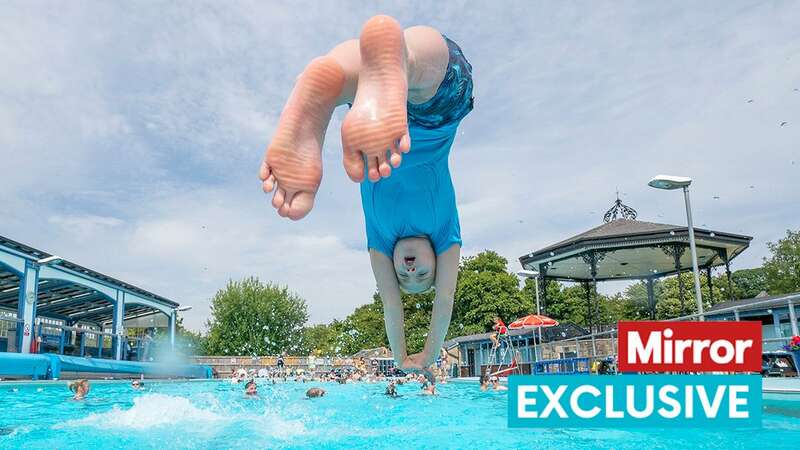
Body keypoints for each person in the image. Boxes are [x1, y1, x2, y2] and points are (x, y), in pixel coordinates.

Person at [259, 15, 472, 381]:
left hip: (379, 110)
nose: (409, 269)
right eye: (423, 272)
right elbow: (444, 301)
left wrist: (400, 355)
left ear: (391, 265)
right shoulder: (445, 234)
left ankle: (328, 85)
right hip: (433, 114)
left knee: (350, 71)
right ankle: (398, 58)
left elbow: (391, 303)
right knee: (433, 67)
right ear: (437, 259)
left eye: (405, 275)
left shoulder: (380, 240)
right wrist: (426, 354)